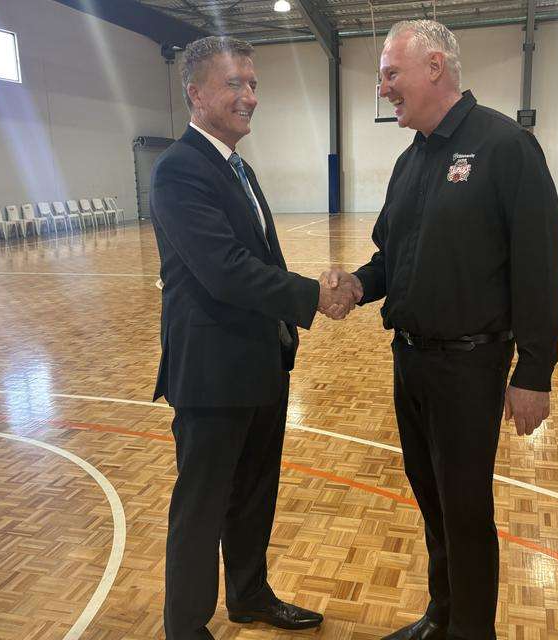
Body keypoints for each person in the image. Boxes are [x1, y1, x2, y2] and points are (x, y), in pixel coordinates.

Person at [324, 20, 558, 640]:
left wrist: (534, 371)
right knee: (432, 502)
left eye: (390, 74)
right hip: (411, 362)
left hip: (470, 367)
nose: (383, 89)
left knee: (465, 512)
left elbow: (541, 265)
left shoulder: (506, 146)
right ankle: (443, 615)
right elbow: (390, 258)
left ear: (435, 67)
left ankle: (471, 631)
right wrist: (355, 285)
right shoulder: (411, 162)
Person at [150, 36, 353, 640]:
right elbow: (224, 269)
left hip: (261, 364)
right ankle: (185, 626)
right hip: (212, 374)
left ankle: (248, 596)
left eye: (254, 84)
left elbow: (260, 254)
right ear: (196, 93)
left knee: (255, 494)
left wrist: (287, 327)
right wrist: (313, 294)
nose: (249, 97)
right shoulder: (179, 170)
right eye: (235, 84)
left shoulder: (236, 167)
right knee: (202, 506)